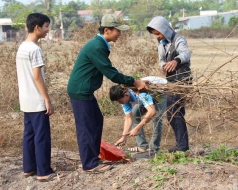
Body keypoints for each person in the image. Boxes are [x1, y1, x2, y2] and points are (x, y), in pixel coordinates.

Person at [67, 14, 148, 173]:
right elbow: (111, 74)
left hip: (86, 91)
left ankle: (93, 157)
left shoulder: (100, 45)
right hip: (80, 91)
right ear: (107, 30)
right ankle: (89, 165)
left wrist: (132, 82)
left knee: (96, 121)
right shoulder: (97, 47)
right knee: (86, 127)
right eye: (117, 31)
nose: (119, 34)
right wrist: (134, 82)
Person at [16, 13, 63, 182]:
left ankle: (29, 168)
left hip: (25, 99)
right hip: (36, 101)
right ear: (37, 28)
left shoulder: (22, 47)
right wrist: (47, 99)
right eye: (46, 26)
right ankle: (44, 171)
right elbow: (37, 77)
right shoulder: (35, 49)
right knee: (41, 136)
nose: (47, 30)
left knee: (29, 134)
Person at [146, 16, 193, 153]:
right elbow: (161, 60)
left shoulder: (179, 39)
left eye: (159, 33)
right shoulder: (161, 43)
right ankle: (181, 144)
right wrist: (163, 66)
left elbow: (186, 53)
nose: (158, 37)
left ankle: (182, 147)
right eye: (155, 34)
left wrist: (176, 61)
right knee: (173, 113)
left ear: (164, 29)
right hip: (171, 80)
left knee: (174, 112)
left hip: (183, 79)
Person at [110, 76, 167, 153]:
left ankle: (154, 148)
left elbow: (152, 112)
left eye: (120, 101)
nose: (120, 103)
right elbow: (128, 118)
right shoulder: (124, 97)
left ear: (126, 95)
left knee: (156, 118)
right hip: (147, 96)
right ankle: (143, 146)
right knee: (134, 114)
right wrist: (124, 137)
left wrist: (137, 128)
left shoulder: (141, 93)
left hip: (159, 93)